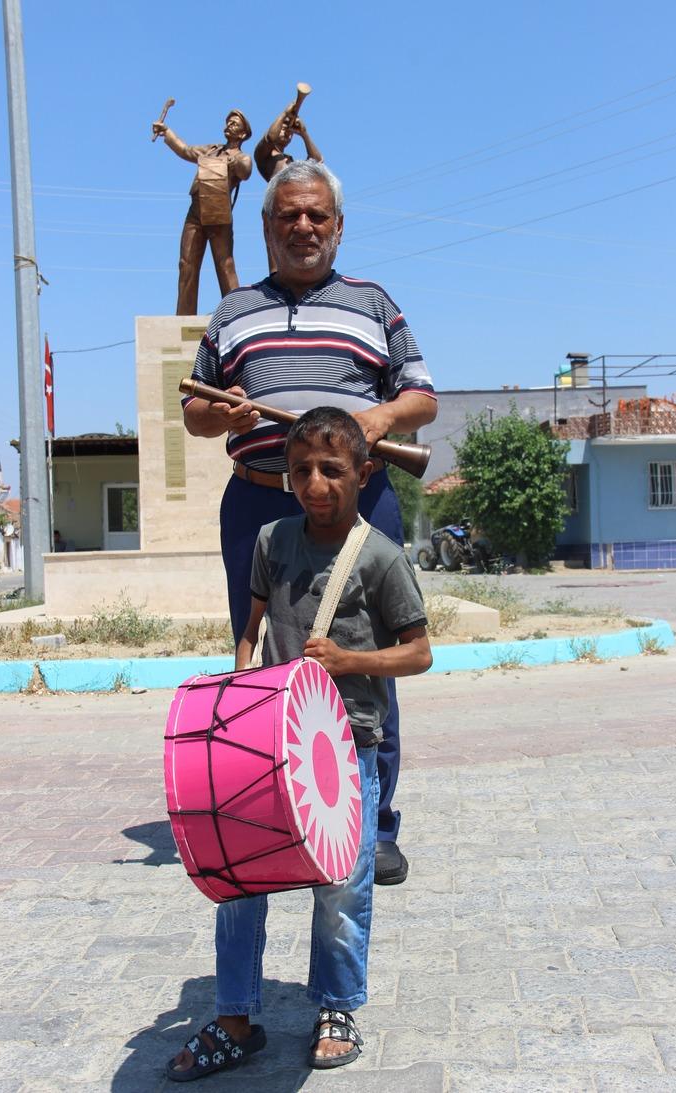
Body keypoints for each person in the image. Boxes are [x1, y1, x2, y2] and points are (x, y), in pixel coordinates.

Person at [182, 159, 437, 884]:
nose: (302, 227)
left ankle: (374, 824)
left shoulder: (373, 301)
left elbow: (422, 395)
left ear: (338, 226)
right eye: (287, 216)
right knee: (262, 660)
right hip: (258, 503)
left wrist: (381, 414)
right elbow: (194, 411)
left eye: (315, 216)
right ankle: (282, 811)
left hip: (360, 507)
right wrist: (219, 411)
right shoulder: (233, 313)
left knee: (367, 660)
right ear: (266, 228)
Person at [166, 407, 432, 1081]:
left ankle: (337, 1006)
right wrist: (241, 682)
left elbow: (420, 652)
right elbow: (250, 630)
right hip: (269, 745)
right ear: (287, 477)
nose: (315, 482)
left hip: (350, 746)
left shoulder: (381, 556)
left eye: (332, 470)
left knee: (342, 886)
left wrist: (350, 661)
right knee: (237, 878)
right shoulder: (270, 540)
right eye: (301, 470)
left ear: (363, 473)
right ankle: (234, 1018)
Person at [152, 110, 252, 315]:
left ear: (242, 134)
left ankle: (236, 316)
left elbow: (246, 170)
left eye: (234, 124)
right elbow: (185, 150)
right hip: (196, 210)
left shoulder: (241, 157)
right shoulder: (211, 150)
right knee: (186, 264)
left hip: (218, 212)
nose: (229, 125)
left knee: (225, 265)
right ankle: (184, 318)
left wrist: (234, 162)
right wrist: (167, 132)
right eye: (228, 122)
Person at [254, 103, 324, 274]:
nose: (286, 133)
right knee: (277, 261)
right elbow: (270, 137)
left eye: (290, 132)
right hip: (278, 212)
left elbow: (317, 161)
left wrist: (304, 134)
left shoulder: (291, 162)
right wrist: (286, 112)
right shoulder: (265, 156)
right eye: (283, 129)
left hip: (296, 212)